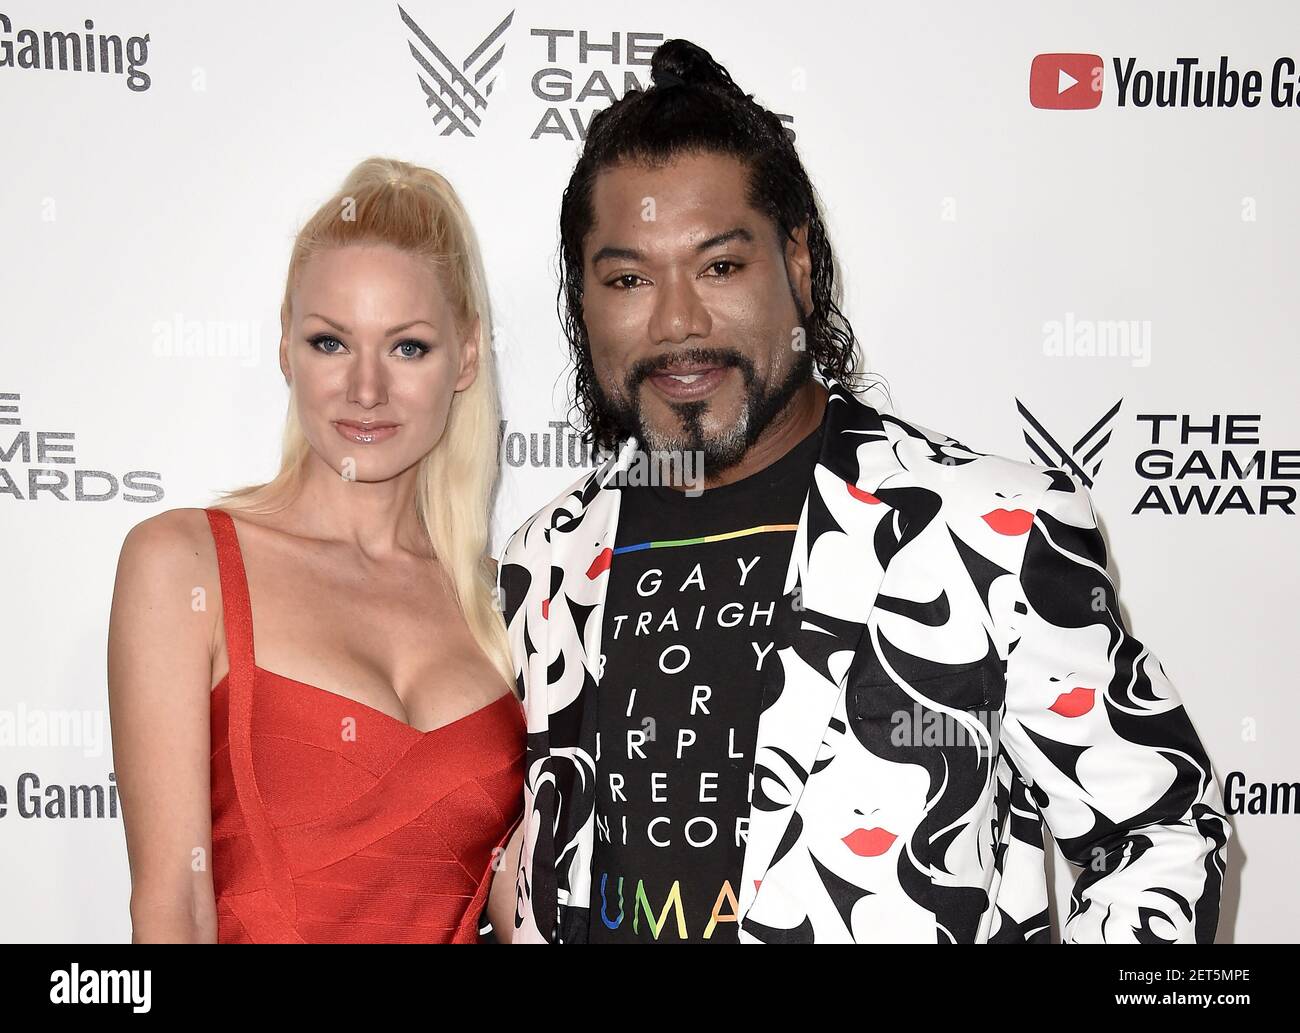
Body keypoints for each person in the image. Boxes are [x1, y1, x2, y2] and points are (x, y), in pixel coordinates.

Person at [491, 39, 1232, 943]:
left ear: (797, 263)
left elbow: (1160, 831)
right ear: (583, 298)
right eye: (629, 278)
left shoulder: (992, 531)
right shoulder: (542, 561)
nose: (677, 321)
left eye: (720, 266)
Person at [108, 157, 525, 943]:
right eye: (331, 342)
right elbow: (173, 908)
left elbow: (523, 909)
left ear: (466, 356)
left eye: (408, 348)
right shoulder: (184, 564)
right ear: (285, 350)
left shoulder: (512, 605)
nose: (365, 389)